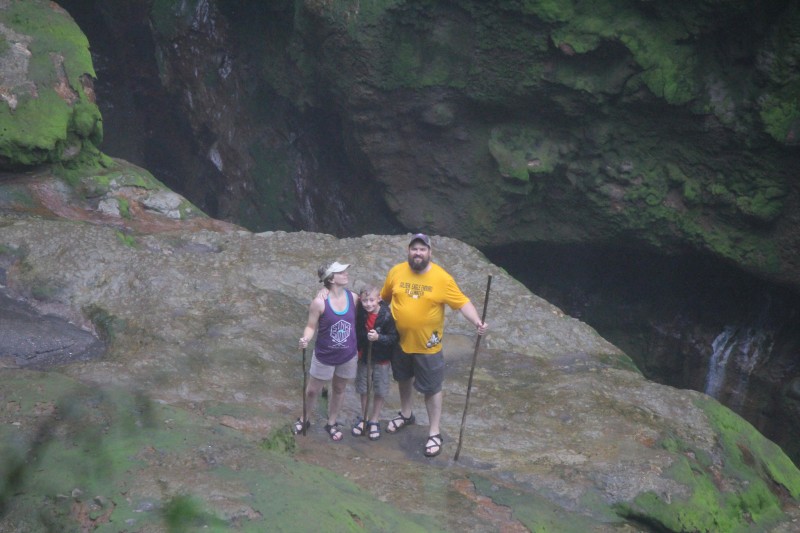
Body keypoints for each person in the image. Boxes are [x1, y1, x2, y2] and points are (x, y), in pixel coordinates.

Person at [380, 233, 488, 457]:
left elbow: (462, 302)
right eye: (414, 249)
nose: (417, 253)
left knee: (432, 388)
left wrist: (477, 321)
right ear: (408, 251)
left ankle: (434, 432)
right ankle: (406, 414)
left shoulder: (442, 278)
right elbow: (384, 299)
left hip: (428, 345)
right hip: (399, 340)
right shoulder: (396, 272)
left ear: (430, 252)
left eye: (422, 249)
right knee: (403, 378)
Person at [293, 261, 359, 441]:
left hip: (348, 355)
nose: (346, 273)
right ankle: (305, 418)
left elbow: (372, 303)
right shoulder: (319, 303)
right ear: (331, 279)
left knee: (339, 388)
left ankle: (332, 422)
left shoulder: (353, 298)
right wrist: (305, 339)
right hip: (324, 355)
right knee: (312, 390)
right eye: (341, 272)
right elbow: (310, 326)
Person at [351, 285, 398, 441]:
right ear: (360, 300)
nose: (368, 304)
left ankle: (374, 419)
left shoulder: (387, 316)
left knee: (380, 389)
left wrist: (379, 338)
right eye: (365, 301)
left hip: (382, 359)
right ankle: (364, 417)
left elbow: (393, 337)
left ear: (379, 299)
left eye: (372, 300)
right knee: (363, 387)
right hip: (365, 357)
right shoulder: (360, 313)